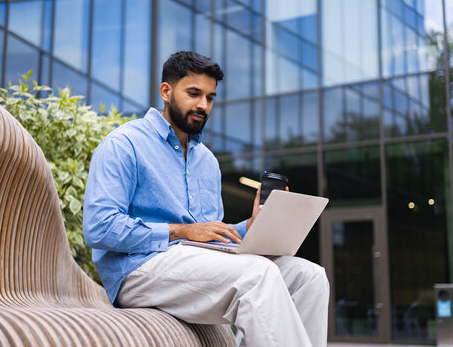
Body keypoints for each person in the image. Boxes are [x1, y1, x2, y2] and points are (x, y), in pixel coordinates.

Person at [83, 51, 329, 347]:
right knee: (257, 275)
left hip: (193, 263)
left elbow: (207, 236)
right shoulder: (124, 145)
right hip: (137, 270)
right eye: (194, 93)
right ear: (166, 91)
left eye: (210, 98)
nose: (203, 105)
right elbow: (98, 227)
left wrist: (249, 229)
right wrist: (181, 231)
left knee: (310, 277)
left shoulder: (207, 161)